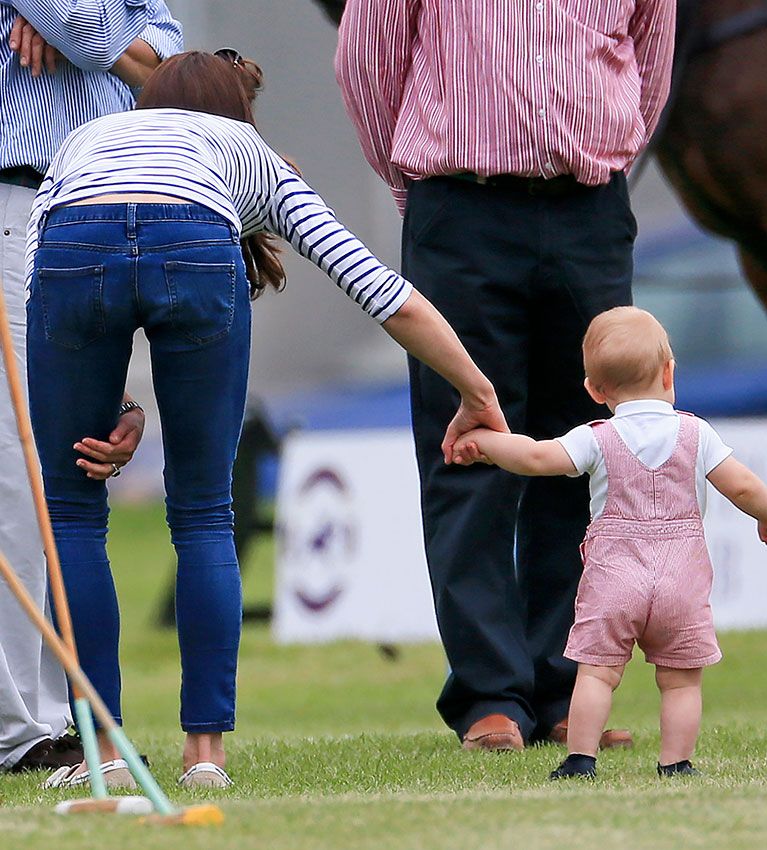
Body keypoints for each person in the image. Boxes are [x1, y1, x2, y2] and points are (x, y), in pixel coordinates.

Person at [25, 50, 507, 790]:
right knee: (205, 513)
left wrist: (111, 406)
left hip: (72, 239)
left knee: (72, 513)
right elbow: (382, 290)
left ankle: (104, 753)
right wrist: (476, 390)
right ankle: (205, 757)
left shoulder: (87, 139)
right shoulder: (250, 153)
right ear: (239, 111)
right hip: (196, 248)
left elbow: (47, 285)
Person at [335, 0, 677, 750]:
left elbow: (648, 67)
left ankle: (562, 691)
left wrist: (604, 151)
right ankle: (490, 696)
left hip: (588, 210)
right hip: (461, 208)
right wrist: (417, 187)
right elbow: (366, 66)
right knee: (471, 449)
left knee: (587, 452)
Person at [451, 306, 767, 778]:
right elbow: (742, 487)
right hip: (681, 578)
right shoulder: (697, 434)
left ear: (594, 389)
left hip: (614, 577)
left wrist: (485, 443)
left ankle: (580, 759)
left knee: (597, 673)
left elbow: (534, 456)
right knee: (679, 683)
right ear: (670, 372)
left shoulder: (597, 437)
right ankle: (676, 765)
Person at [0, 0, 182, 774]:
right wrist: (94, 30)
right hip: (17, 198)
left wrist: (71, 24)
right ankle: (20, 729)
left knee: (69, 461)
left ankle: (55, 713)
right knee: (17, 471)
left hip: (97, 206)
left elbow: (170, 74)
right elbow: (101, 36)